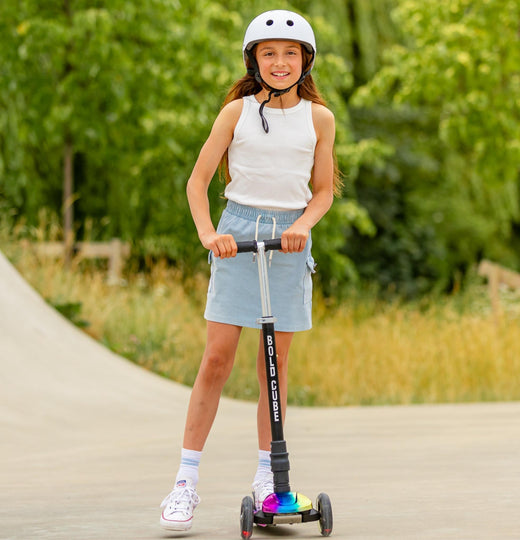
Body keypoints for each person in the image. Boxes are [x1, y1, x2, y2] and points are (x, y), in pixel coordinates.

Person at [160, 9, 341, 532]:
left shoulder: (319, 118)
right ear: (254, 60)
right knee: (217, 359)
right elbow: (197, 184)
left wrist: (304, 223)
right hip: (235, 236)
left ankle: (268, 478)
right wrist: (208, 235)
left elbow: (324, 190)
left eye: (289, 53)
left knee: (273, 370)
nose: (279, 62)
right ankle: (185, 481)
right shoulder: (236, 113)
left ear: (304, 60)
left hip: (288, 240)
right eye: (268, 53)